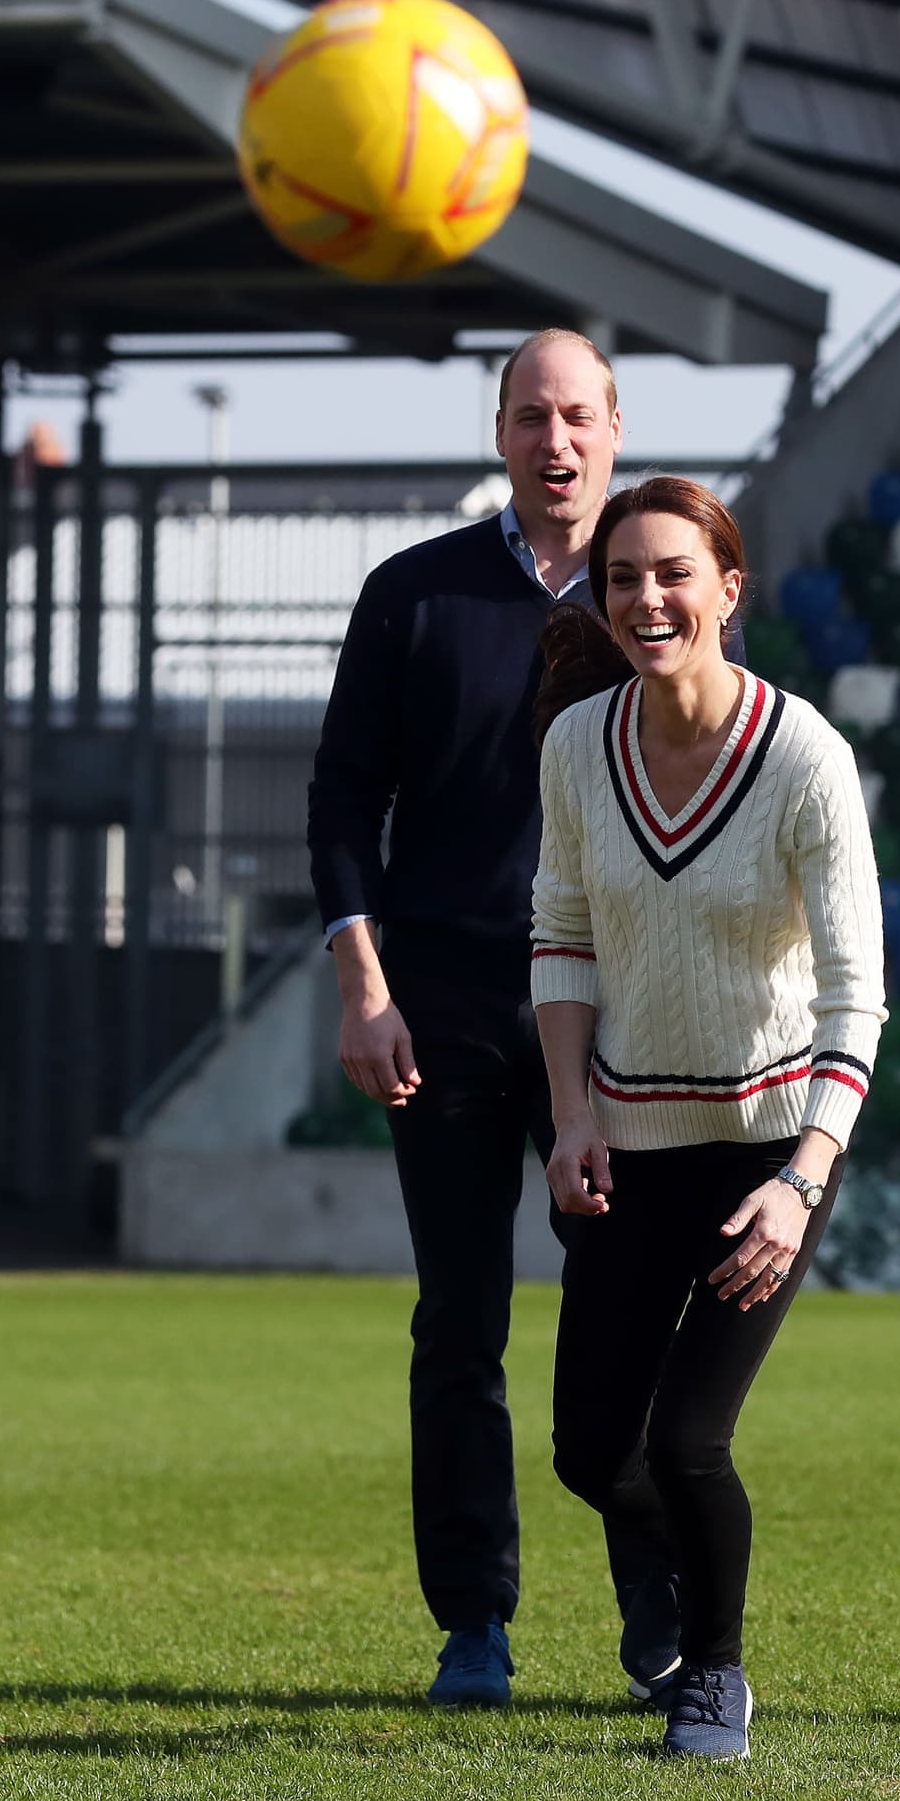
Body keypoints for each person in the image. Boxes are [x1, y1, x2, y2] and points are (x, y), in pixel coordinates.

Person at [306, 331, 711, 1710]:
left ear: (615, 427)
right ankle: (473, 1620)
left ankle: (657, 1618)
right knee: (459, 1323)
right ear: (501, 431)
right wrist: (366, 991)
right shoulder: (410, 595)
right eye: (534, 415)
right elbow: (341, 807)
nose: (558, 441)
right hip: (451, 1007)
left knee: (633, 1318)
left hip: (620, 1007)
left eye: (580, 416)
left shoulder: (654, 600)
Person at [530, 476, 887, 1760]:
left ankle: (711, 1675)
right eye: (623, 577)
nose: (646, 598)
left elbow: (856, 996)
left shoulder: (803, 756)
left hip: (769, 1147)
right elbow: (560, 935)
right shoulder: (576, 745)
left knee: (685, 1438)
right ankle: (675, 1594)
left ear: (727, 589)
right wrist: (569, 1115)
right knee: (587, 1451)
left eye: (674, 572)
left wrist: (799, 1182)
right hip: (624, 1140)